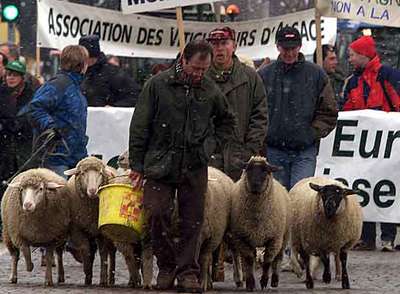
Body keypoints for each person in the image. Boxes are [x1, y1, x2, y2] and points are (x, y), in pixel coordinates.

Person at [128, 40, 239, 293]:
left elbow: (227, 122)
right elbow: (140, 126)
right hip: (160, 162)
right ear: (183, 61)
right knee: (156, 214)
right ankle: (166, 266)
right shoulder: (157, 85)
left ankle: (188, 271)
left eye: (205, 69)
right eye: (196, 68)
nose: (200, 74)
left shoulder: (209, 90)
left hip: (194, 164)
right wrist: (137, 163)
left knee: (193, 220)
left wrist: (209, 146)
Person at [258, 26, 338, 191]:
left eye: (292, 48)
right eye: (285, 48)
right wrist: (265, 134)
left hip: (304, 151)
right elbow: (255, 111)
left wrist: (310, 134)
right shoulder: (265, 75)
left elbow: (328, 112)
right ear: (278, 47)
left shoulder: (316, 74)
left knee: (299, 200)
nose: (289, 53)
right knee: (277, 203)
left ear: (300, 46)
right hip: (274, 150)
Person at [341, 35, 400, 251]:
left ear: (364, 55)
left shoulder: (388, 76)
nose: (350, 59)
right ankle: (365, 237)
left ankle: (387, 236)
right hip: (363, 146)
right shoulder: (353, 82)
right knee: (364, 188)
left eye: (353, 55)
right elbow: (346, 111)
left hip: (388, 144)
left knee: (387, 188)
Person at [206, 26, 268, 181]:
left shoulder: (250, 77)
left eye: (224, 43)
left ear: (234, 46)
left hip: (240, 158)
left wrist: (249, 150)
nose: (219, 48)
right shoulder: (200, 76)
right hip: (208, 158)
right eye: (215, 44)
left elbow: (260, 116)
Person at [26, 45, 89, 178]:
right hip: (57, 157)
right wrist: (51, 127)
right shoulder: (58, 85)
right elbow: (35, 108)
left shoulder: (75, 86)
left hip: (75, 155)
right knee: (59, 197)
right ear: (82, 64)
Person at [79, 35, 140, 107]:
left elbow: (134, 95)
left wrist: (113, 108)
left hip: (104, 116)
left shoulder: (113, 73)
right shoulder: (78, 72)